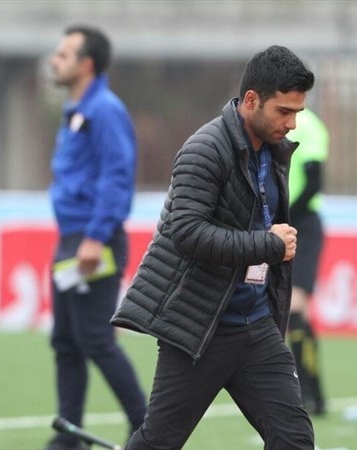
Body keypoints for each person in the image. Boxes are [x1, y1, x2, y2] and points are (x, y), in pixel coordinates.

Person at [111, 45, 316, 449]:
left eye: (297, 113)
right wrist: (268, 245)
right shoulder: (204, 149)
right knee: (159, 442)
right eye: (284, 111)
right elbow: (187, 233)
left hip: (255, 325)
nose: (292, 123)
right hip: (200, 330)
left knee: (294, 439)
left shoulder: (275, 151)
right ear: (251, 100)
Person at [42, 25, 147, 450]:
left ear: (86, 64)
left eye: (63, 54)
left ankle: (147, 430)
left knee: (97, 341)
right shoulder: (77, 110)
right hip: (71, 239)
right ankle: (69, 437)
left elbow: (117, 176)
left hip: (92, 241)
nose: (54, 60)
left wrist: (96, 236)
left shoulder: (104, 110)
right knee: (66, 343)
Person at [285, 108, 329, 416]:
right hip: (279, 223)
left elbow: (314, 182)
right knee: (295, 312)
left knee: (295, 307)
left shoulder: (309, 125)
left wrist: (285, 215)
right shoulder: (267, 119)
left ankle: (307, 392)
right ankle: (314, 393)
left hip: (302, 222)